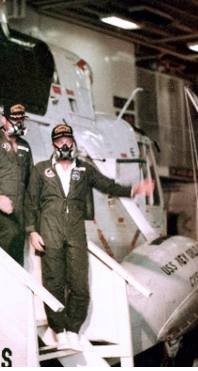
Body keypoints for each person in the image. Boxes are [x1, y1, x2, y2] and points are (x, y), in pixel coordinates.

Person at [24, 124, 154, 352]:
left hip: (75, 232)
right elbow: (30, 202)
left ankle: (73, 329)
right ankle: (59, 330)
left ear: (73, 143)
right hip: (49, 231)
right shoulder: (40, 169)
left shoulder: (84, 169)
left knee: (79, 283)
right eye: (60, 141)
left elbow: (108, 186)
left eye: (68, 140)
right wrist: (32, 230)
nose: (65, 144)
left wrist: (133, 190)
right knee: (53, 283)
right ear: (54, 144)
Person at [0, 103, 33, 265]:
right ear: (4, 120)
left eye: (21, 120)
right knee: (9, 233)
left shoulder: (25, 146)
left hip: (20, 206)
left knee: (18, 243)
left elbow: (30, 177)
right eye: (14, 120)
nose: (18, 124)